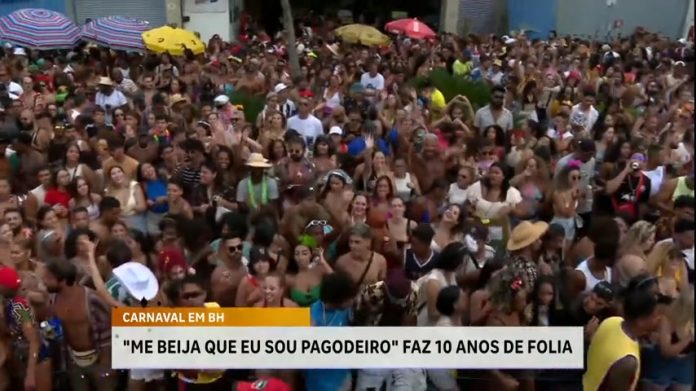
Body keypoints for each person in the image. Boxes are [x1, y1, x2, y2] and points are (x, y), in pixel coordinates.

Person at [42, 261, 114, 390]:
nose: (44, 281)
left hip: (98, 359)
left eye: (49, 278)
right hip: (73, 361)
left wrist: (105, 365)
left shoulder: (92, 299)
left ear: (63, 281)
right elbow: (52, 334)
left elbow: (107, 333)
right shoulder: (52, 300)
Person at [583, 275, 663, 391]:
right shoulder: (628, 362)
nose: (659, 319)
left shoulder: (612, 321)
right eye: (655, 316)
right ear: (641, 321)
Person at [305, 272, 356, 391]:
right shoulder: (312, 312)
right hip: (316, 379)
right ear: (337, 298)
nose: (352, 301)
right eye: (348, 298)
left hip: (341, 380)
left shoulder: (351, 312)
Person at [507, 220, 550, 288]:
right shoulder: (527, 267)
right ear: (530, 244)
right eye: (537, 239)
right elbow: (530, 291)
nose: (540, 242)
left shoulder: (511, 261)